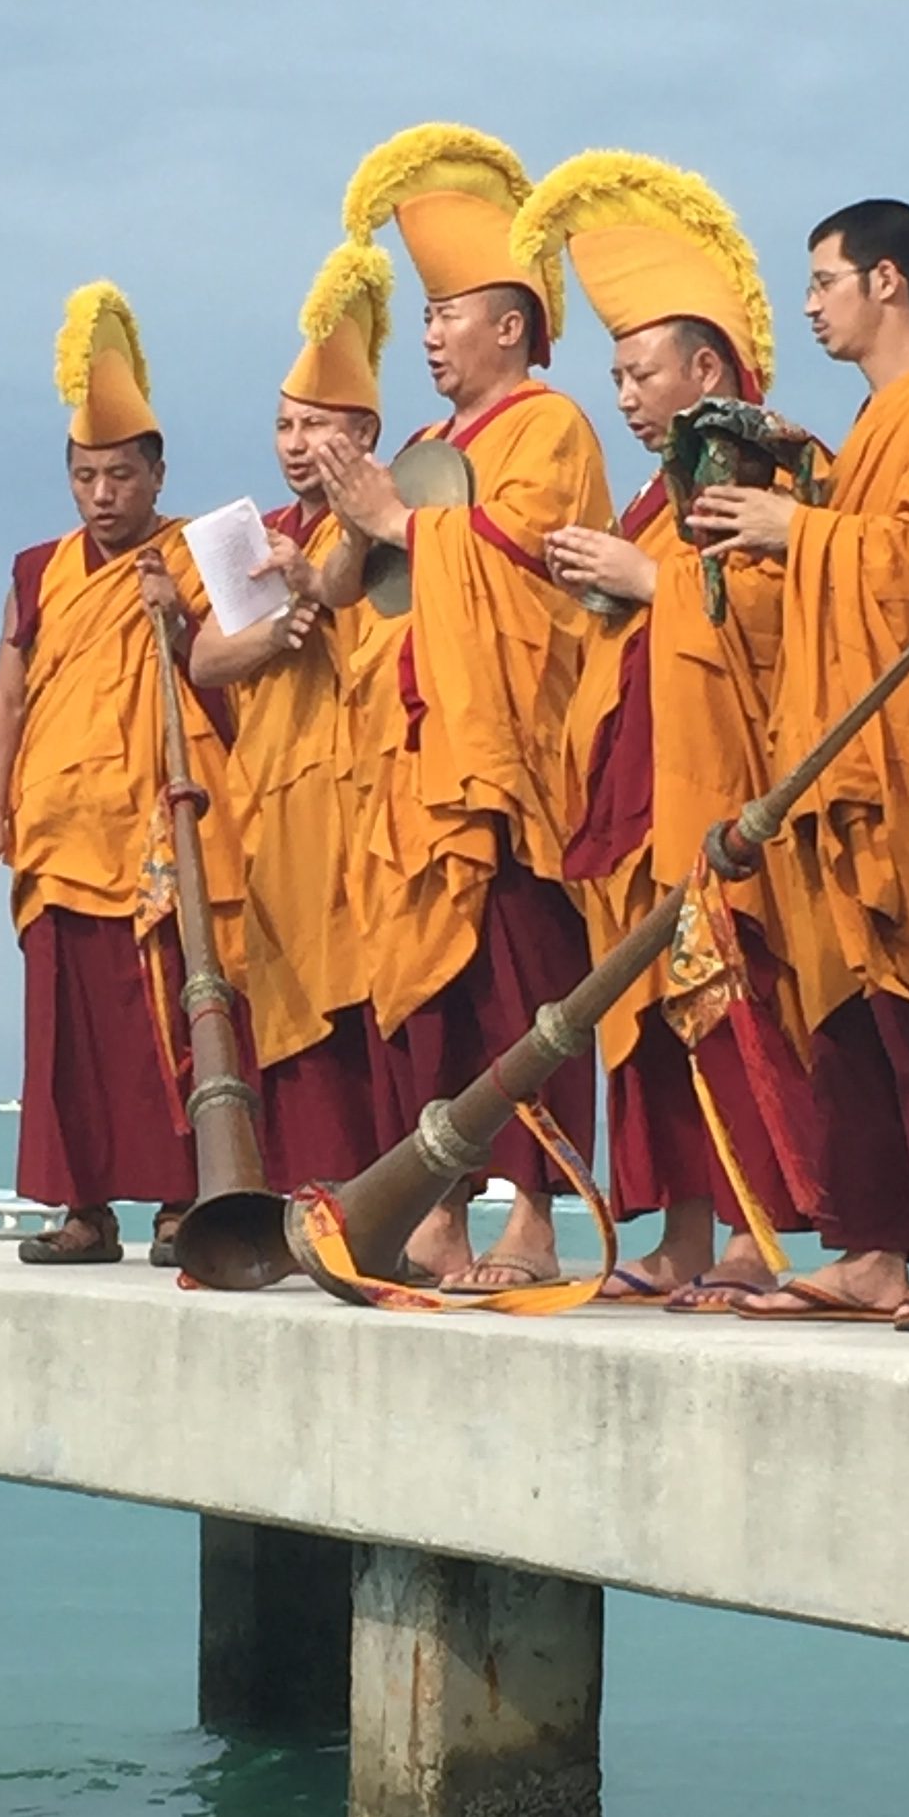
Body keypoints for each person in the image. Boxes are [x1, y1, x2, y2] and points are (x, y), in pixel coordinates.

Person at [689, 199, 909, 1327]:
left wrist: (804, 537)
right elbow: (836, 596)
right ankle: (874, 1248)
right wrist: (755, 550)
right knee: (852, 1019)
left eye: (824, 281)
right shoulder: (867, 429)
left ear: (887, 282)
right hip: (836, 758)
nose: (812, 304)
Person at [304, 123, 615, 1288]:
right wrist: (349, 517)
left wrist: (399, 523)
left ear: (514, 325)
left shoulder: (551, 426)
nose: (430, 336)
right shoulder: (430, 441)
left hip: (500, 757)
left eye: (451, 313)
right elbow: (352, 588)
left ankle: (532, 1221)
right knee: (423, 997)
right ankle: (434, 1217)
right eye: (427, 316)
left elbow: (537, 565)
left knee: (518, 995)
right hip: (406, 761)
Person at [523, 151, 830, 1311]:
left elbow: (771, 614)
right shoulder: (654, 497)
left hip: (716, 781)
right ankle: (686, 1233)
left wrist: (644, 583)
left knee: (723, 999)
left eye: (641, 369)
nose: (625, 393)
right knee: (647, 1024)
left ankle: (757, 1236)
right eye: (614, 371)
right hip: (637, 782)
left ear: (707, 367)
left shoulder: (762, 466)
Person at [0, 281, 244, 1265]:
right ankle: (80, 1210)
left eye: (120, 475)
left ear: (157, 471)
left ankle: (180, 1202)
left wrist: (182, 617)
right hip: (59, 827)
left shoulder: (203, 549)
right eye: (85, 477)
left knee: (172, 1016)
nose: (103, 496)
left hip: (162, 826)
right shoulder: (38, 570)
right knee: (67, 1032)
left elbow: (261, 678)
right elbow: (8, 696)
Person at [189, 242, 392, 1189]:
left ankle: (368, 1193)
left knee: (356, 991)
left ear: (364, 433)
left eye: (316, 424)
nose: (295, 441)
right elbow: (205, 657)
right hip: (272, 790)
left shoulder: (379, 520)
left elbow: (356, 591)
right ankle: (304, 1193)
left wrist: (319, 588)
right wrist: (282, 632)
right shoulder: (252, 536)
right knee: (287, 987)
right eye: (283, 423)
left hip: (355, 784)